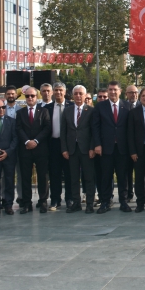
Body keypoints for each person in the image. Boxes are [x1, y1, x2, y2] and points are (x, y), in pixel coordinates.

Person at [93, 81, 132, 214]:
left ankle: (123, 201)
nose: (112, 92)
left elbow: (130, 129)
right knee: (106, 176)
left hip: (122, 148)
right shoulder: (100, 106)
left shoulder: (127, 106)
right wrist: (97, 144)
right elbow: (96, 127)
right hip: (106, 148)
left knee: (123, 176)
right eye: (110, 89)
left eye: (115, 89)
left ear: (120, 91)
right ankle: (105, 202)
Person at [60, 85, 97, 214]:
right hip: (72, 150)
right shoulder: (67, 111)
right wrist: (64, 149)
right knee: (73, 178)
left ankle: (90, 204)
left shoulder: (91, 111)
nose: (78, 96)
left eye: (80, 93)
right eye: (75, 93)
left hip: (87, 149)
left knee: (88, 177)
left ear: (85, 95)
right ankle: (76, 203)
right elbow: (63, 131)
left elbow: (94, 132)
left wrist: (92, 147)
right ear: (72, 95)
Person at [46, 83, 73, 211]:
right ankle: (55, 199)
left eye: (60, 90)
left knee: (69, 173)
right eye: (56, 90)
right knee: (54, 173)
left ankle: (69, 198)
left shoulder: (71, 106)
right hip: (53, 144)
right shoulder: (47, 108)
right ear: (52, 92)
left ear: (65, 91)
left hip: (69, 144)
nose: (58, 92)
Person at [123, 85, 139, 201]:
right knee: (127, 172)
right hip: (125, 145)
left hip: (139, 145)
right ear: (126, 94)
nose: (133, 94)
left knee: (142, 173)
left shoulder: (142, 105)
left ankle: (143, 194)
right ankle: (129, 193)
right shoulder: (122, 106)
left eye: (135, 92)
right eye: (131, 92)